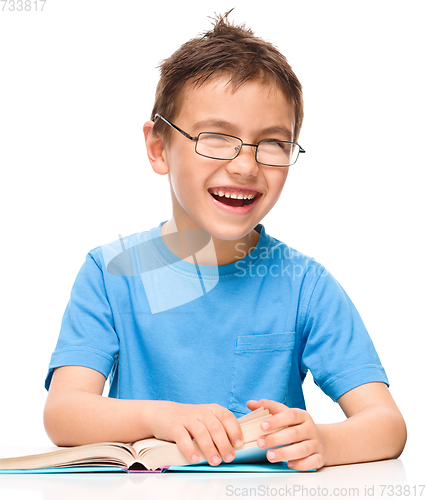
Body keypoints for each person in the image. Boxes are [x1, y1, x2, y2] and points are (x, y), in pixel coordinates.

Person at [43, 12, 406, 471]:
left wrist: (325, 442)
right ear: (158, 148)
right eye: (216, 138)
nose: (245, 166)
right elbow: (63, 414)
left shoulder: (304, 285)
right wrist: (160, 416)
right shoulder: (110, 272)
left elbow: (387, 425)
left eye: (273, 143)